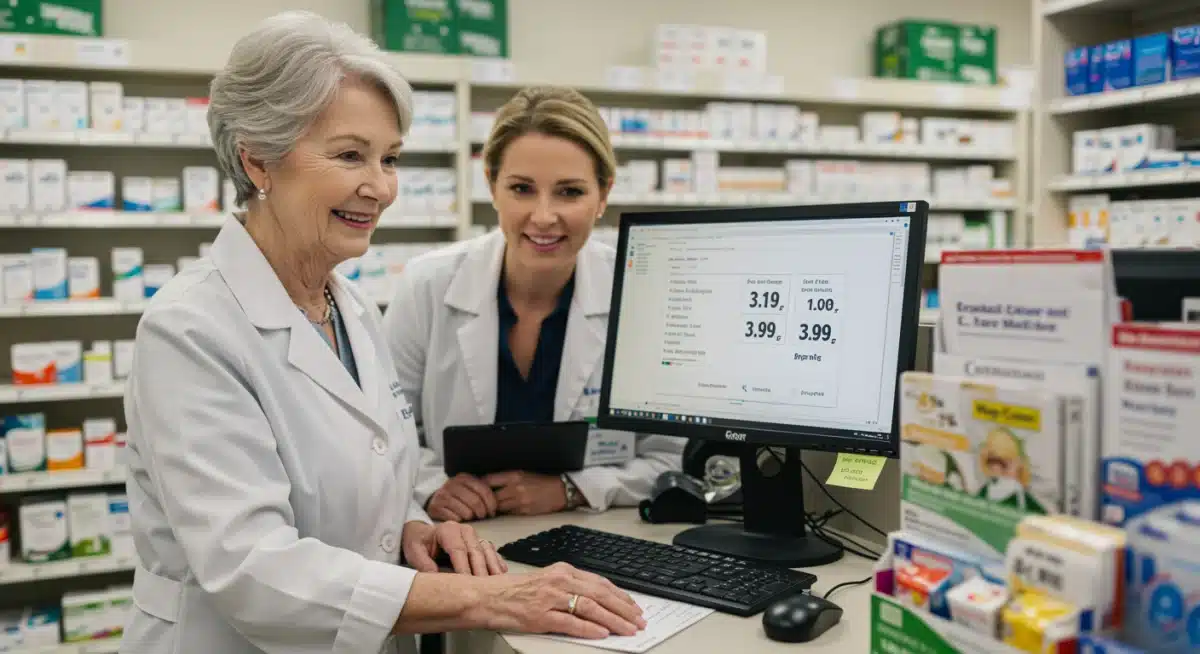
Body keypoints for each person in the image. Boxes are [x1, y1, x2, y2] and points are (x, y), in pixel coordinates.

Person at [120, 12, 644, 654]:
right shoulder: (191, 331)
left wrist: (413, 524)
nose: (381, 187)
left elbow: (373, 480)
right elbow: (253, 571)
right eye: (349, 155)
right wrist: (492, 598)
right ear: (257, 159)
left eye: (389, 157)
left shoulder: (351, 307)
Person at [382, 86, 684, 523]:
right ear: (491, 185)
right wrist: (432, 487)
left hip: (595, 536)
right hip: (458, 534)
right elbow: (384, 432)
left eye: (569, 192)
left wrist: (572, 488)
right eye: (522, 189)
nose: (543, 217)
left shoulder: (641, 293)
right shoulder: (427, 285)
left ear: (603, 195)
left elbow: (670, 456)